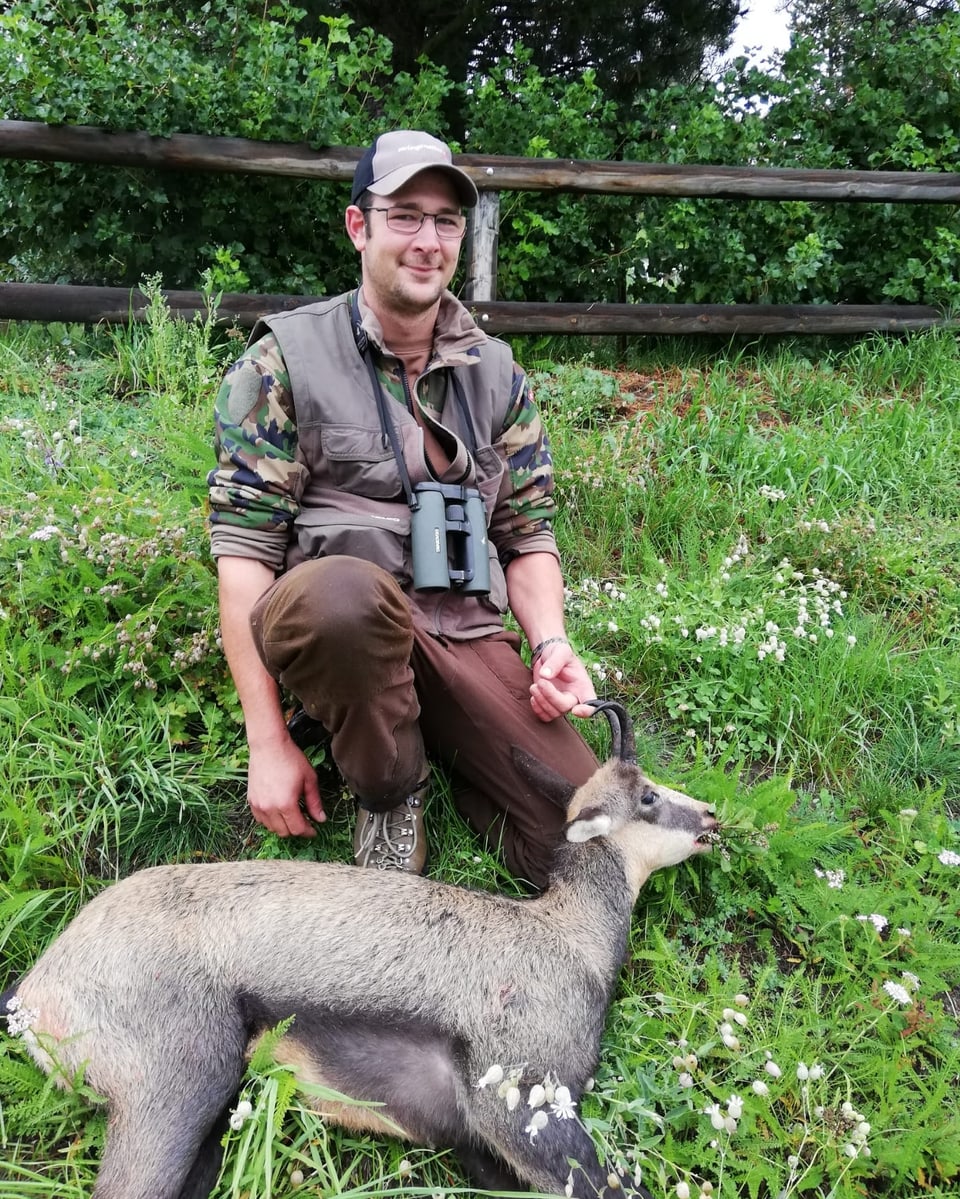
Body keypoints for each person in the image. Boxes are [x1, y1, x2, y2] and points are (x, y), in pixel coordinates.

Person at [208, 128, 599, 888]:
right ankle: (391, 788)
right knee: (343, 598)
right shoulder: (280, 359)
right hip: (345, 635)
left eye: (446, 220)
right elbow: (244, 557)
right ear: (360, 227)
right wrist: (265, 739)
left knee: (583, 840)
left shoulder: (496, 371)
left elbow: (527, 535)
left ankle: (455, 754)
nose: (428, 241)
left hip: (463, 632)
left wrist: (550, 645)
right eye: (406, 216)